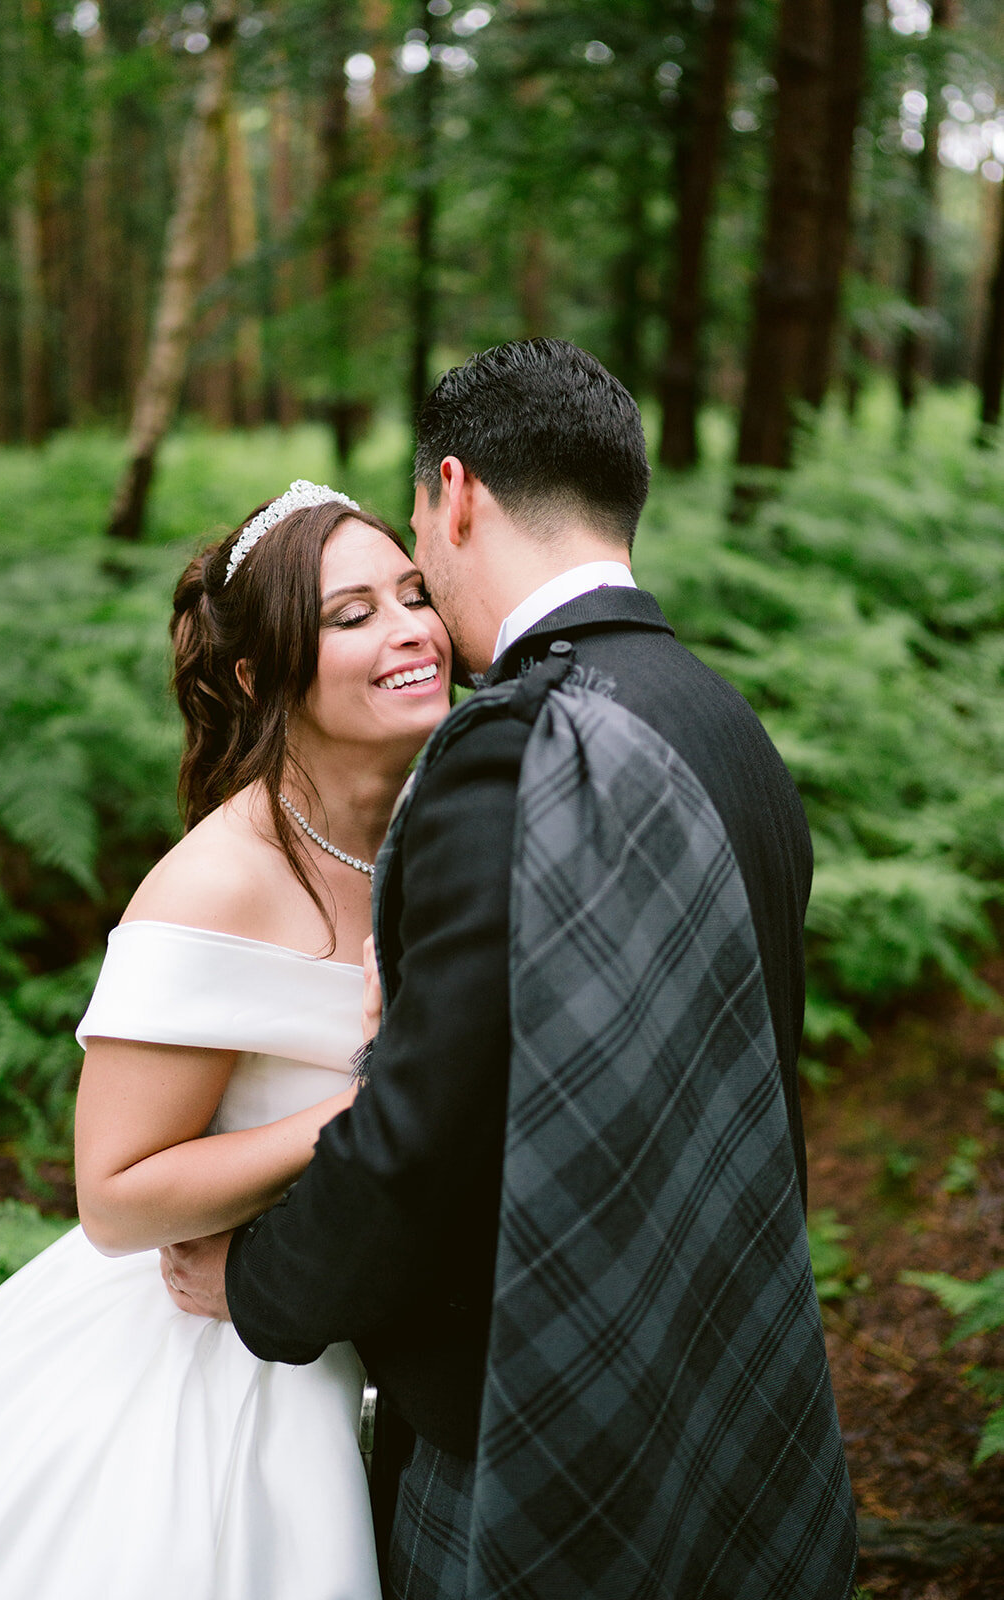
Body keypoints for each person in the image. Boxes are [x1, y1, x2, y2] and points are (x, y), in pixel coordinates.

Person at [166, 340, 858, 1600]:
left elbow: (427, 1132)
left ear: (455, 492)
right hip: (711, 1365)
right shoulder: (722, 720)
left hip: (533, 1419)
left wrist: (256, 1281)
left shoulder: (518, 746)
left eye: (415, 541)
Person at [0, 480, 452, 1599]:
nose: (412, 629)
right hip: (218, 1354)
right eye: (352, 614)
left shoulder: (435, 820)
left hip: (379, 1323)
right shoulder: (215, 884)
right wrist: (364, 1109)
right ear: (257, 676)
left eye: (414, 593)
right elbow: (115, 1195)